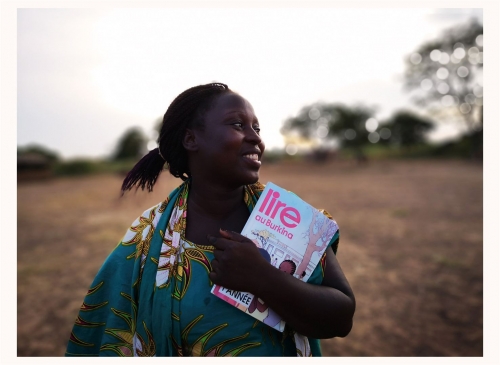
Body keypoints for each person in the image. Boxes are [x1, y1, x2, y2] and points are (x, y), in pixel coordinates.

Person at [65, 83, 355, 357]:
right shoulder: (147, 234)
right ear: (191, 139)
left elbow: (341, 318)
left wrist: (263, 278)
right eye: (238, 125)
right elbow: (103, 331)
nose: (256, 138)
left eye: (256, 127)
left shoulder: (291, 219)